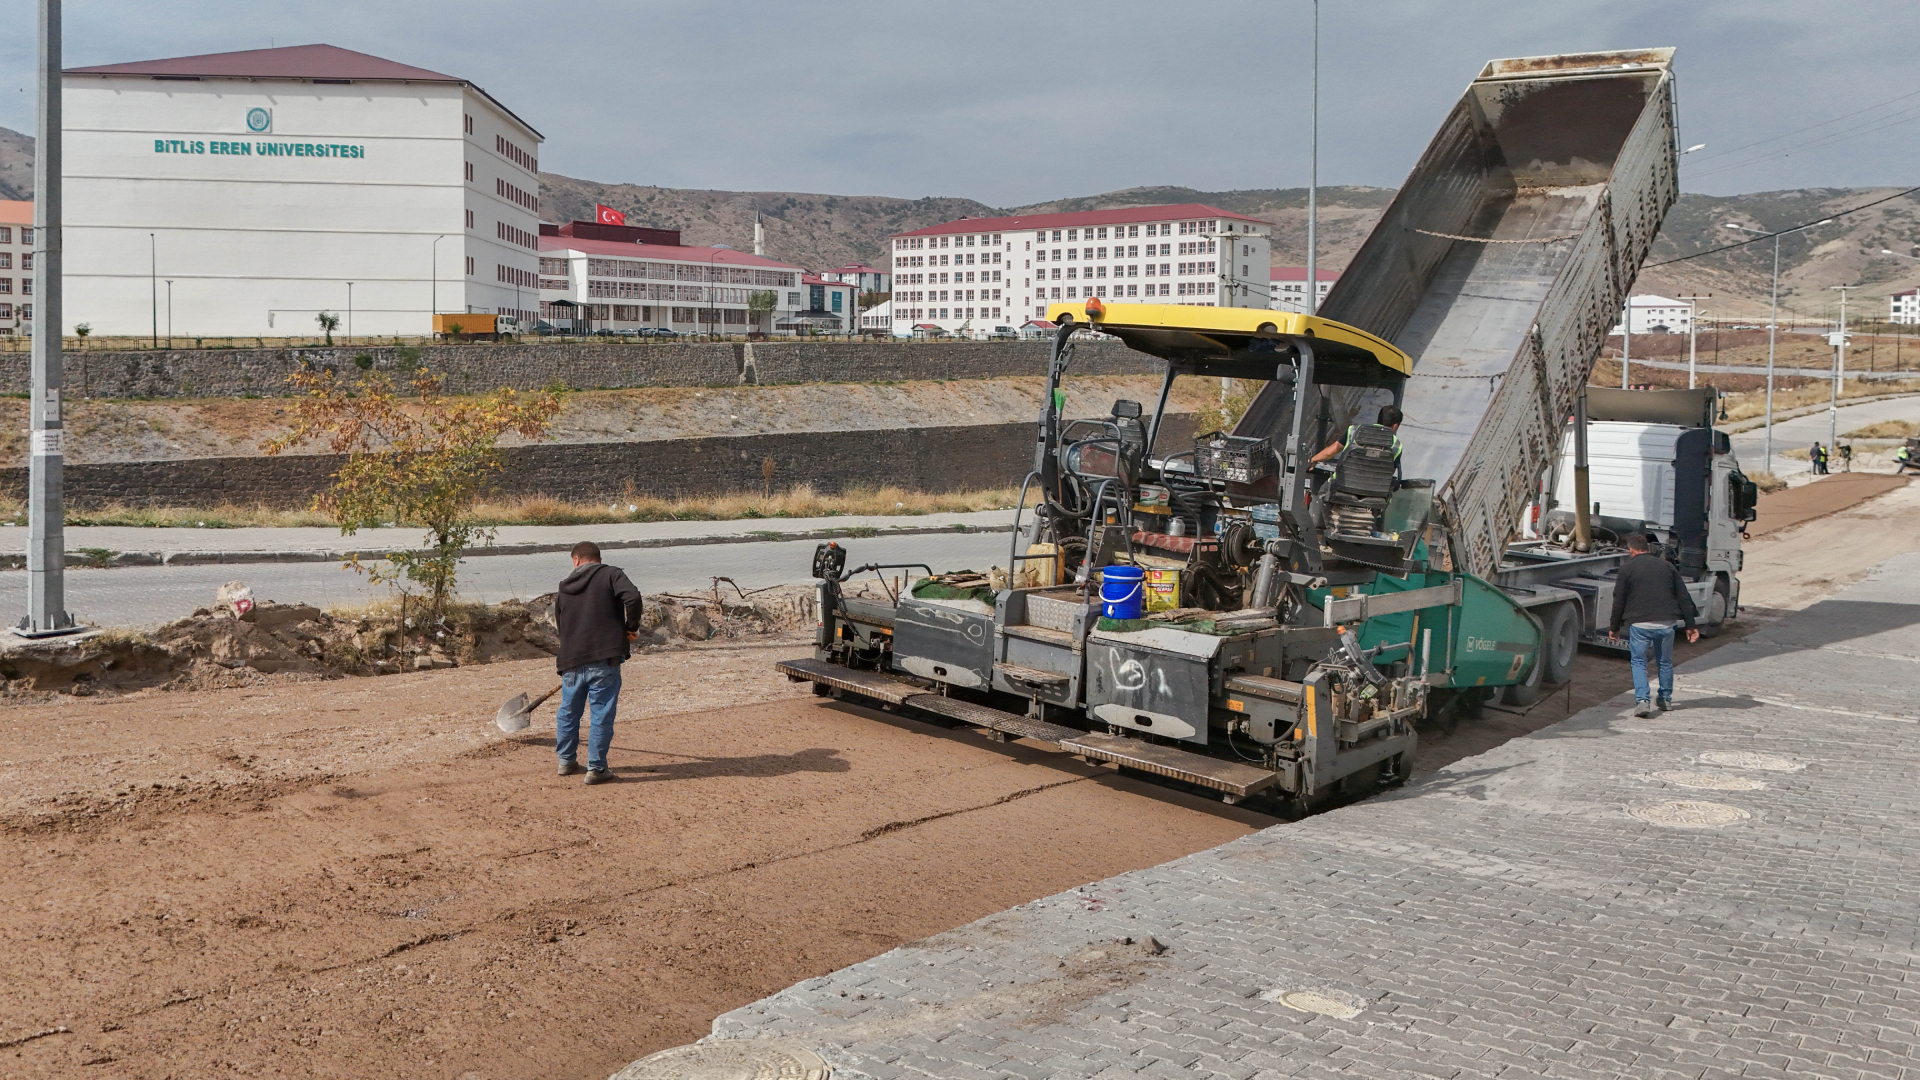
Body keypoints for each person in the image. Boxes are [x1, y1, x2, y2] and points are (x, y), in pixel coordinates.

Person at [553, 541, 643, 785]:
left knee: (569, 711)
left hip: (571, 659)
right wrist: (631, 627)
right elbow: (633, 597)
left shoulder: (564, 588)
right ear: (597, 559)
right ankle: (596, 768)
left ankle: (566, 761)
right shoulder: (611, 574)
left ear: (576, 560)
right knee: (601, 712)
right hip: (604, 658)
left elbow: (561, 626)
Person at [1608, 532, 1700, 718]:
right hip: (1666, 624)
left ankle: (1643, 701)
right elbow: (1683, 595)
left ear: (1631, 550)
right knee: (1665, 662)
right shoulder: (1667, 566)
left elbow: (1619, 599)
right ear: (1648, 549)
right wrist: (1690, 625)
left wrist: (1614, 627)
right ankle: (1665, 699)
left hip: (1640, 625)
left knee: (1639, 661)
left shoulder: (1627, 569)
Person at [1311, 404, 1404, 467]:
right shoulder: (1396, 446)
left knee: (1323, 491)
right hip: (1376, 492)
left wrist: (1313, 460)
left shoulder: (1354, 431)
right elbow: (1389, 472)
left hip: (1342, 486)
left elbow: (1331, 451)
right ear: (1395, 426)